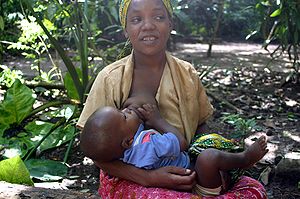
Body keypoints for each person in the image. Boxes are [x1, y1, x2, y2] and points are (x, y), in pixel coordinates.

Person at [77, 0, 268, 198]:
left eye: (159, 17)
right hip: (131, 180)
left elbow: (201, 124)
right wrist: (147, 177)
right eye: (136, 19)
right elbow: (95, 149)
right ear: (125, 29)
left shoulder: (187, 73)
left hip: (186, 173)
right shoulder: (110, 78)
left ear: (170, 23)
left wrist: (206, 163)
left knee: (252, 189)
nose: (148, 25)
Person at [80, 99, 268, 197]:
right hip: (201, 184)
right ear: (128, 141)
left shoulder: (120, 156)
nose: (126, 110)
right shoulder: (148, 145)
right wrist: (158, 120)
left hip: (190, 179)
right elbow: (181, 143)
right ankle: (244, 159)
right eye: (123, 116)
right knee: (208, 157)